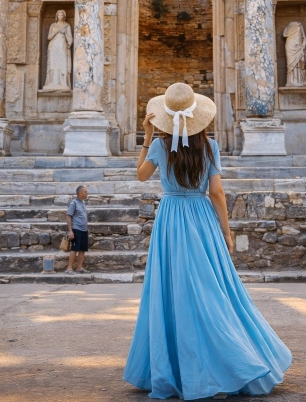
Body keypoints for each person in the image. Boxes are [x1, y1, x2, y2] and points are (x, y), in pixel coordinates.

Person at [123, 83, 291, 400]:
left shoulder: (160, 145)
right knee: (212, 289)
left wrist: (146, 136)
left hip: (171, 218)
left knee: (173, 291)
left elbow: (140, 176)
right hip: (201, 218)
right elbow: (216, 193)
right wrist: (226, 231)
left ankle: (177, 370)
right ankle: (229, 361)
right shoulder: (209, 147)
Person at [65, 185, 90, 275]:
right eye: (85, 192)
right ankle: (69, 268)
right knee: (75, 248)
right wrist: (70, 231)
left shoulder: (83, 202)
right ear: (80, 193)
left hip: (83, 229)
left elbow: (83, 216)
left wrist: (87, 227)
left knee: (83, 249)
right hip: (76, 229)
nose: (87, 193)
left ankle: (79, 267)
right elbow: (68, 216)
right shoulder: (73, 203)